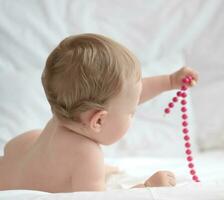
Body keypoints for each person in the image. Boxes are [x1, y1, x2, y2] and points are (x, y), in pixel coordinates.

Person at [0, 33, 198, 192]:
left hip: (19, 157)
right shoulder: (87, 156)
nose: (133, 111)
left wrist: (169, 82)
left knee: (32, 145)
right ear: (98, 121)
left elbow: (128, 95)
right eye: (131, 112)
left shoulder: (66, 115)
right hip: (9, 187)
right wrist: (147, 187)